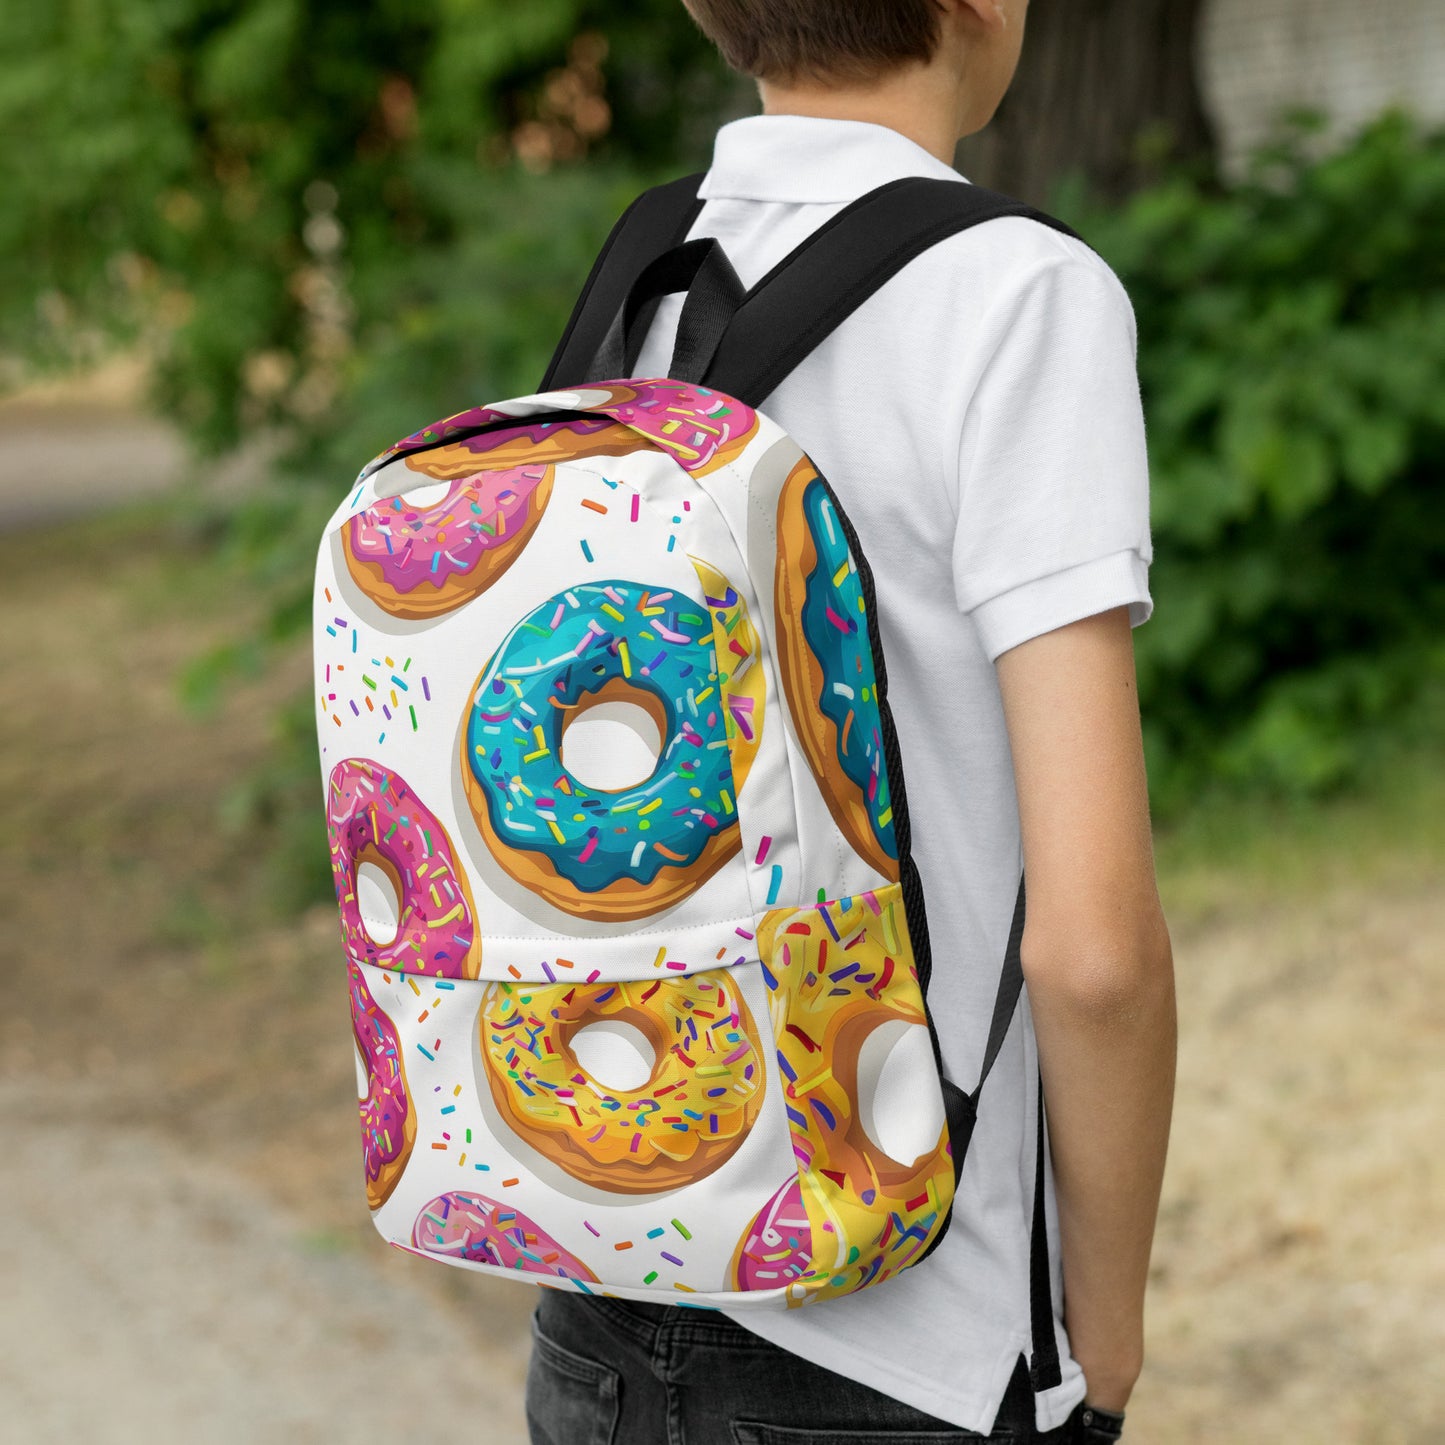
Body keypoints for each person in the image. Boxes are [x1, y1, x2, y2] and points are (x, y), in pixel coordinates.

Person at [524, 2, 1177, 1440]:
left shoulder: (646, 272)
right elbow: (1092, 951)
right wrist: (1104, 1337)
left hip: (604, 1287)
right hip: (901, 1332)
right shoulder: (1019, 295)